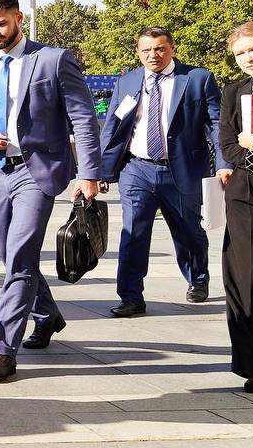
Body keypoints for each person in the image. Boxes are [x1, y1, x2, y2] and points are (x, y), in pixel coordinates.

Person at [0, 0, 103, 383]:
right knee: (11, 258)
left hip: (35, 173)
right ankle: (47, 315)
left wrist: (90, 174)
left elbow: (83, 118)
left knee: (20, 257)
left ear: (19, 18)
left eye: (0, 24)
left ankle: (3, 352)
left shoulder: (53, 59)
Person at [98, 27, 228, 316]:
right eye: (146, 50)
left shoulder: (198, 78)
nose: (153, 55)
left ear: (172, 48)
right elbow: (112, 127)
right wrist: (101, 172)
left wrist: (223, 164)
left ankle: (198, 278)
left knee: (189, 231)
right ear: (138, 52)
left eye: (159, 48)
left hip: (182, 170)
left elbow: (217, 125)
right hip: (136, 169)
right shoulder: (127, 81)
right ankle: (131, 296)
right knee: (133, 233)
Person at [218, 20, 253, 394]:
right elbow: (229, 145)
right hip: (247, 191)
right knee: (250, 277)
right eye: (240, 54)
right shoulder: (236, 93)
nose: (248, 58)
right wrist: (251, 147)